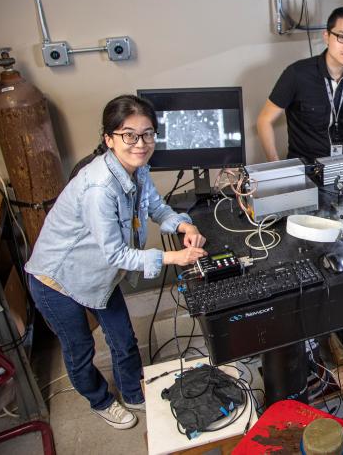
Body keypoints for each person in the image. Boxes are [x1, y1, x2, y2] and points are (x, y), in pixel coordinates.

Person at [25, 95, 208, 429]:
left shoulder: (138, 170)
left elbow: (156, 207)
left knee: (123, 339)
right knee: (80, 349)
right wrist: (174, 257)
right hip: (56, 279)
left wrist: (185, 225)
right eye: (129, 135)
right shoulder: (99, 188)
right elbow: (115, 254)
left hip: (99, 274)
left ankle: (134, 393)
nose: (141, 143)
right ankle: (100, 400)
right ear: (109, 139)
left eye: (148, 134)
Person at [257, 6, 343, 162]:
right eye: (342, 37)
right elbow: (264, 120)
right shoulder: (297, 74)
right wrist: (276, 167)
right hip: (305, 167)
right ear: (327, 37)